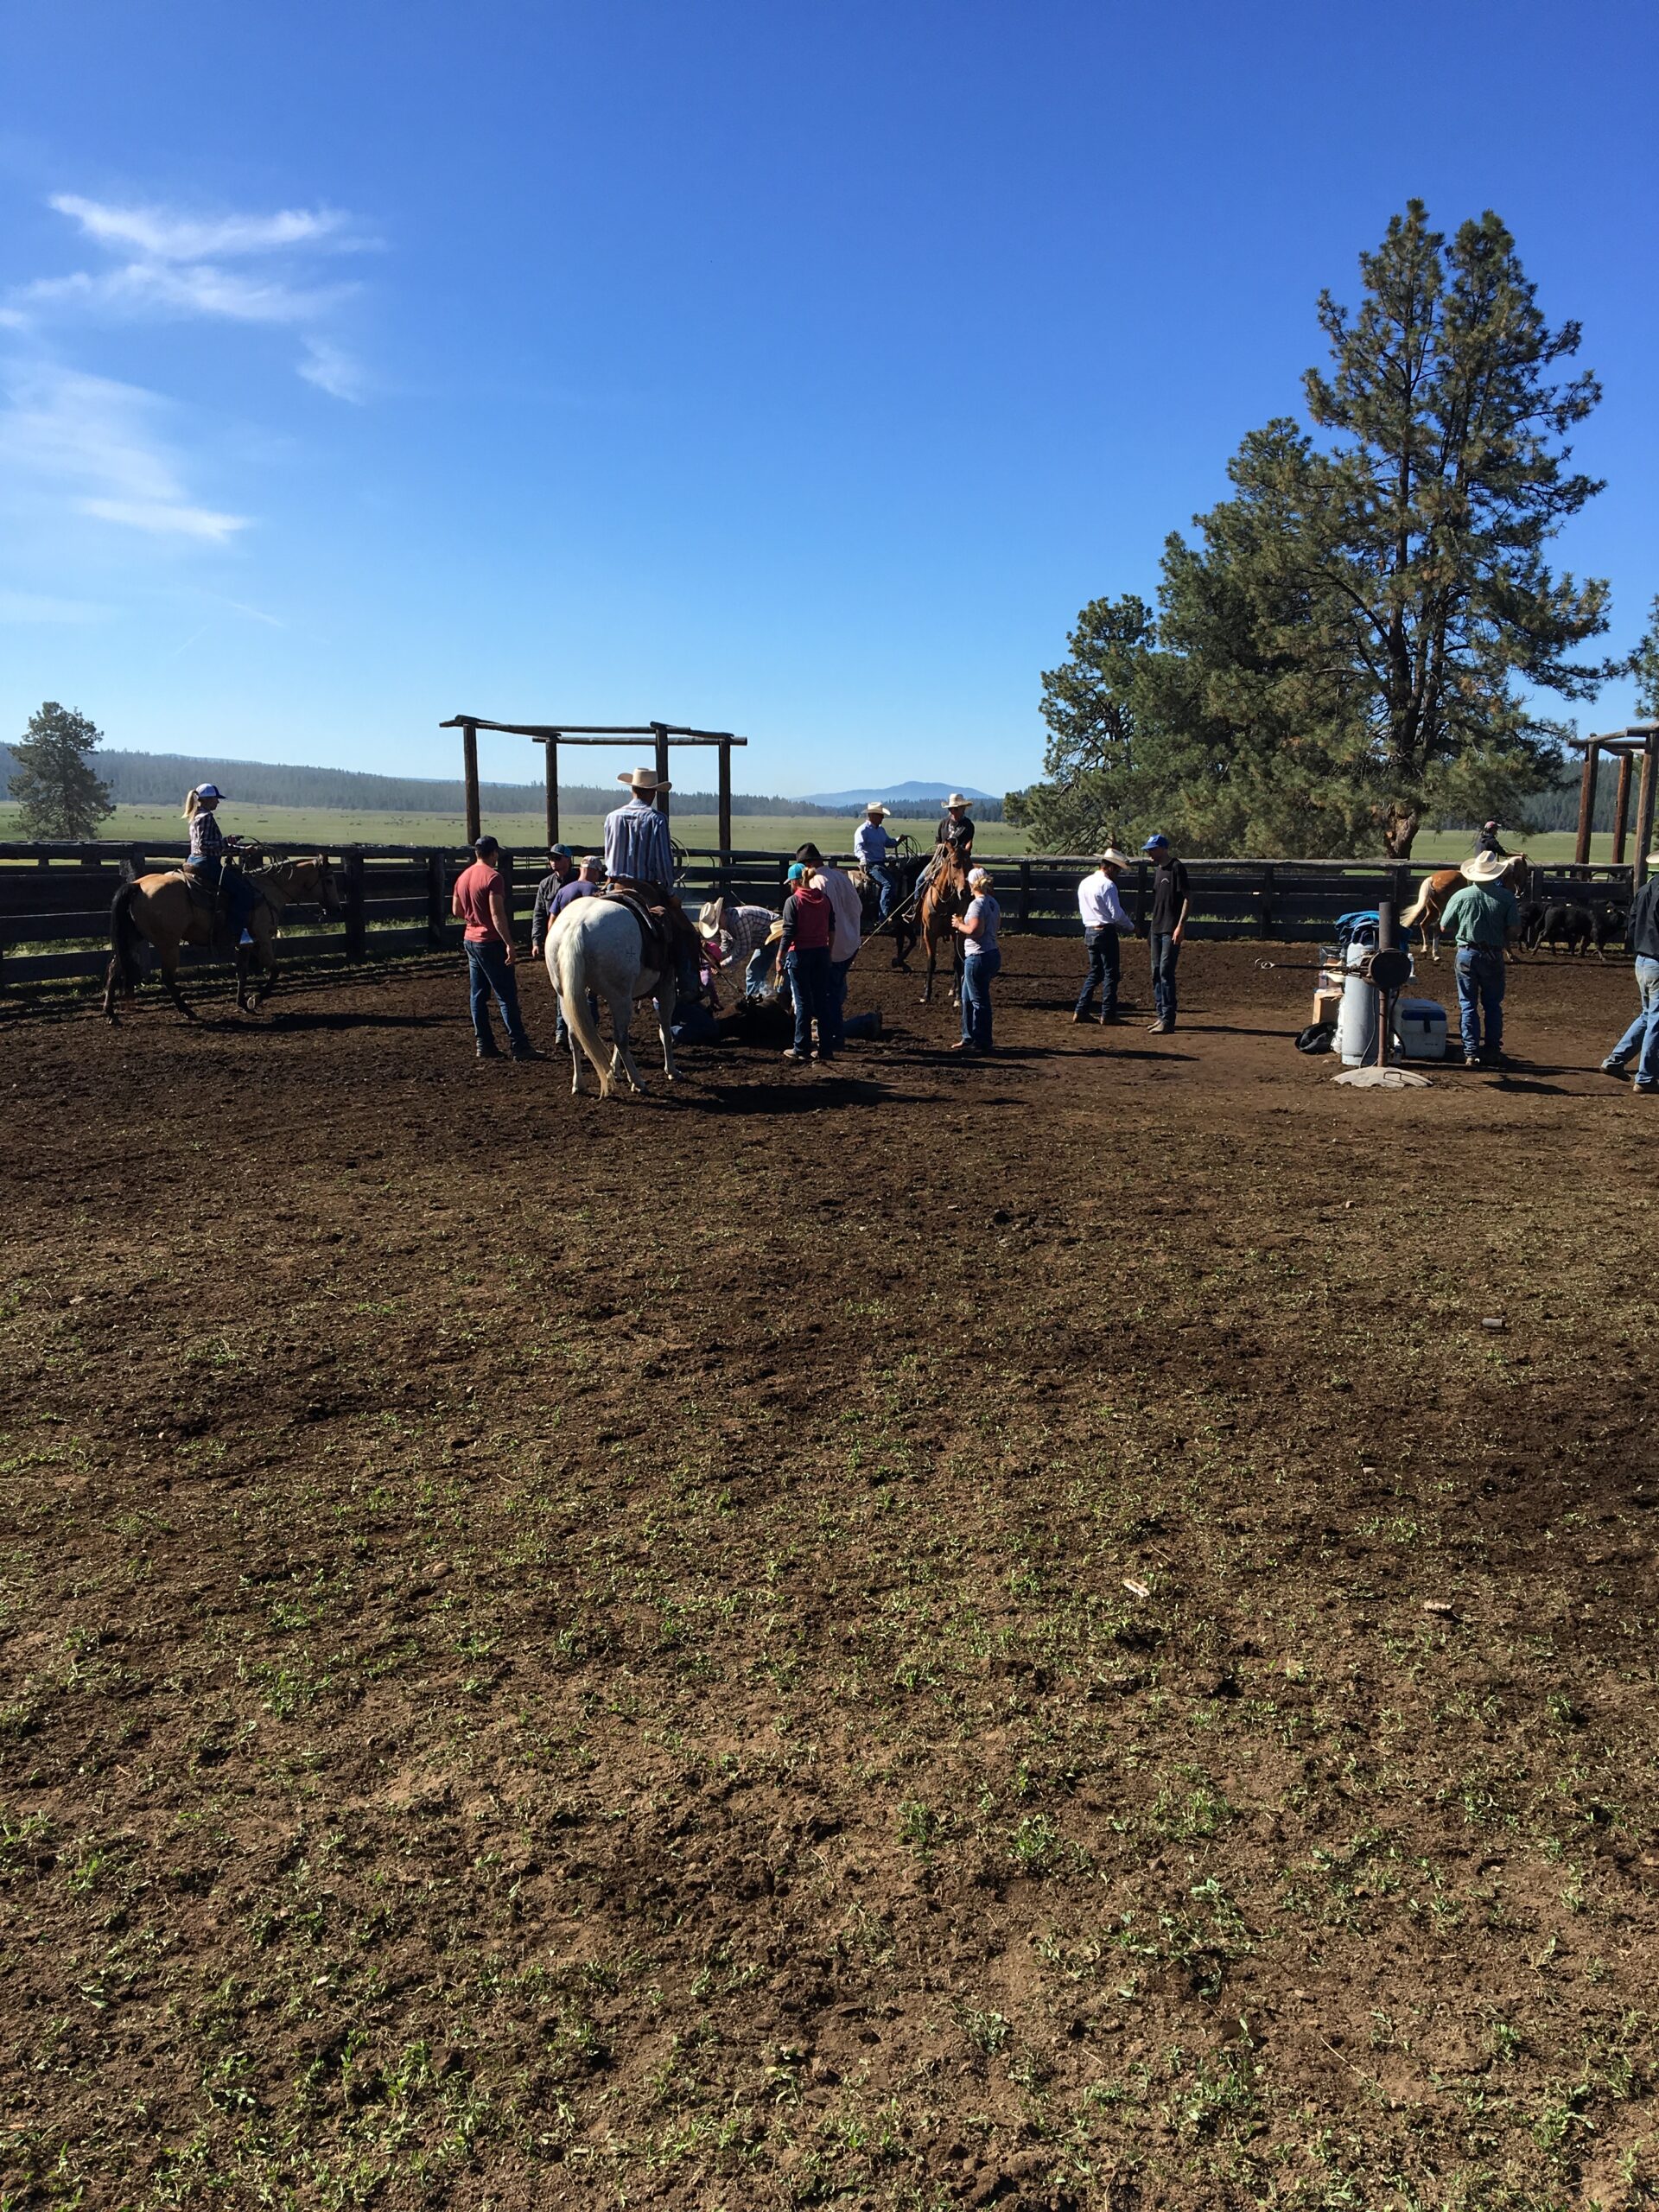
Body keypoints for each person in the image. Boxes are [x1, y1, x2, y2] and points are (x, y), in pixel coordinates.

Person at [601, 766, 701, 995]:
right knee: (686, 933)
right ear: (653, 792)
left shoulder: (612, 817)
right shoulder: (657, 819)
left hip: (614, 885)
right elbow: (663, 862)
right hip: (644, 888)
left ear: (633, 789)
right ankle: (689, 987)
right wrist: (670, 893)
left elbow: (608, 855)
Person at [452, 834, 538, 1061]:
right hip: (490, 942)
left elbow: (456, 910)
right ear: (494, 854)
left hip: (470, 939)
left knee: (478, 995)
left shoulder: (463, 876)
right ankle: (519, 1045)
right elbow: (496, 914)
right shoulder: (493, 877)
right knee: (506, 995)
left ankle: (484, 1043)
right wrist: (509, 943)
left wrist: (473, 918)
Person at [1440, 849, 1521, 1068]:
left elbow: (1444, 925)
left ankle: (1470, 1052)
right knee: (1493, 1004)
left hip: (1467, 953)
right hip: (1493, 954)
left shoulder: (1461, 896)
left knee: (1468, 1004)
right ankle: (1492, 1050)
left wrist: (1464, 926)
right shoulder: (1506, 897)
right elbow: (1514, 930)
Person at [1599, 851, 1659, 1095]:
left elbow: (1633, 925)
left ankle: (1616, 1060)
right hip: (1657, 960)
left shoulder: (1645, 890)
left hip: (1643, 960)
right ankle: (1646, 1077)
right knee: (1656, 1020)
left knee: (1648, 1015)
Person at [797, 842, 863, 1057]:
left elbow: (820, 917)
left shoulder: (816, 882)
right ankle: (835, 1032)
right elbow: (858, 907)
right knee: (834, 990)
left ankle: (834, 1037)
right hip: (850, 942)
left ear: (808, 864)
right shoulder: (841, 877)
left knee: (827, 995)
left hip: (830, 946)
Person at [777, 861, 837, 1063]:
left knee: (802, 1001)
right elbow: (831, 928)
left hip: (800, 954)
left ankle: (800, 1046)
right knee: (822, 1002)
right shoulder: (824, 899)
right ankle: (826, 1048)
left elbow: (788, 932)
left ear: (795, 882)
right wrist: (828, 952)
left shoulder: (793, 902)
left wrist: (779, 956)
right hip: (821, 953)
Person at [181, 784, 255, 946]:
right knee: (243, 893)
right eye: (216, 799)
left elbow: (211, 845)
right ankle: (236, 933)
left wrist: (241, 849)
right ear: (208, 799)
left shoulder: (195, 816)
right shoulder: (206, 817)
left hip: (193, 861)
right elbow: (205, 846)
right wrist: (227, 841)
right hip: (207, 864)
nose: (218, 802)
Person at [1072, 849, 1135, 1024]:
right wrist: (1131, 927)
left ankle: (1081, 1009)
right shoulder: (1108, 885)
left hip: (1090, 930)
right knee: (1111, 973)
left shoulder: (1085, 883)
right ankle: (1108, 1013)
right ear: (1112, 868)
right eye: (1118, 870)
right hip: (1105, 932)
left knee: (1096, 972)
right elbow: (1116, 914)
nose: (1118, 874)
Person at [1142, 834, 1190, 1034]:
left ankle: (1168, 1018)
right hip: (1156, 927)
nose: (1150, 854)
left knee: (1165, 971)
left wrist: (1180, 926)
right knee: (1156, 972)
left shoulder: (1176, 868)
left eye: (1152, 849)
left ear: (1163, 848)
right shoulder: (1159, 871)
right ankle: (1161, 1014)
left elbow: (1187, 897)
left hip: (1170, 928)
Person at [952, 866, 1001, 1053]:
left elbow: (975, 931)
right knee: (967, 997)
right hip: (991, 953)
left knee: (979, 1000)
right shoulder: (993, 903)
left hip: (978, 956)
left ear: (972, 884)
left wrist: (959, 925)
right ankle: (968, 1036)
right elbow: (995, 926)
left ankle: (982, 1040)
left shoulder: (976, 905)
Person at [698, 896, 781, 999]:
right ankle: (754, 1000)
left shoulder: (739, 919)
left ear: (722, 913)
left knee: (784, 972)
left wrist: (722, 964)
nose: (719, 927)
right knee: (753, 971)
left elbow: (743, 950)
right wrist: (714, 959)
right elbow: (726, 947)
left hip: (779, 936)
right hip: (764, 942)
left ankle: (785, 998)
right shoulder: (724, 925)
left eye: (718, 924)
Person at [854, 802, 899, 921]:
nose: (882, 818)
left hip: (880, 864)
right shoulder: (862, 830)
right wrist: (863, 860)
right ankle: (883, 917)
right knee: (888, 884)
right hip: (871, 865)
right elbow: (858, 848)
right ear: (872, 816)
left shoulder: (880, 830)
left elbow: (888, 842)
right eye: (880, 815)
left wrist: (898, 840)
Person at [529, 845, 576, 958]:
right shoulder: (545, 884)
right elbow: (539, 914)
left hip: (575, 935)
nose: (553, 861)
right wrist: (536, 942)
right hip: (554, 936)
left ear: (568, 860)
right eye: (551, 858)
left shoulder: (578, 881)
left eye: (557, 858)